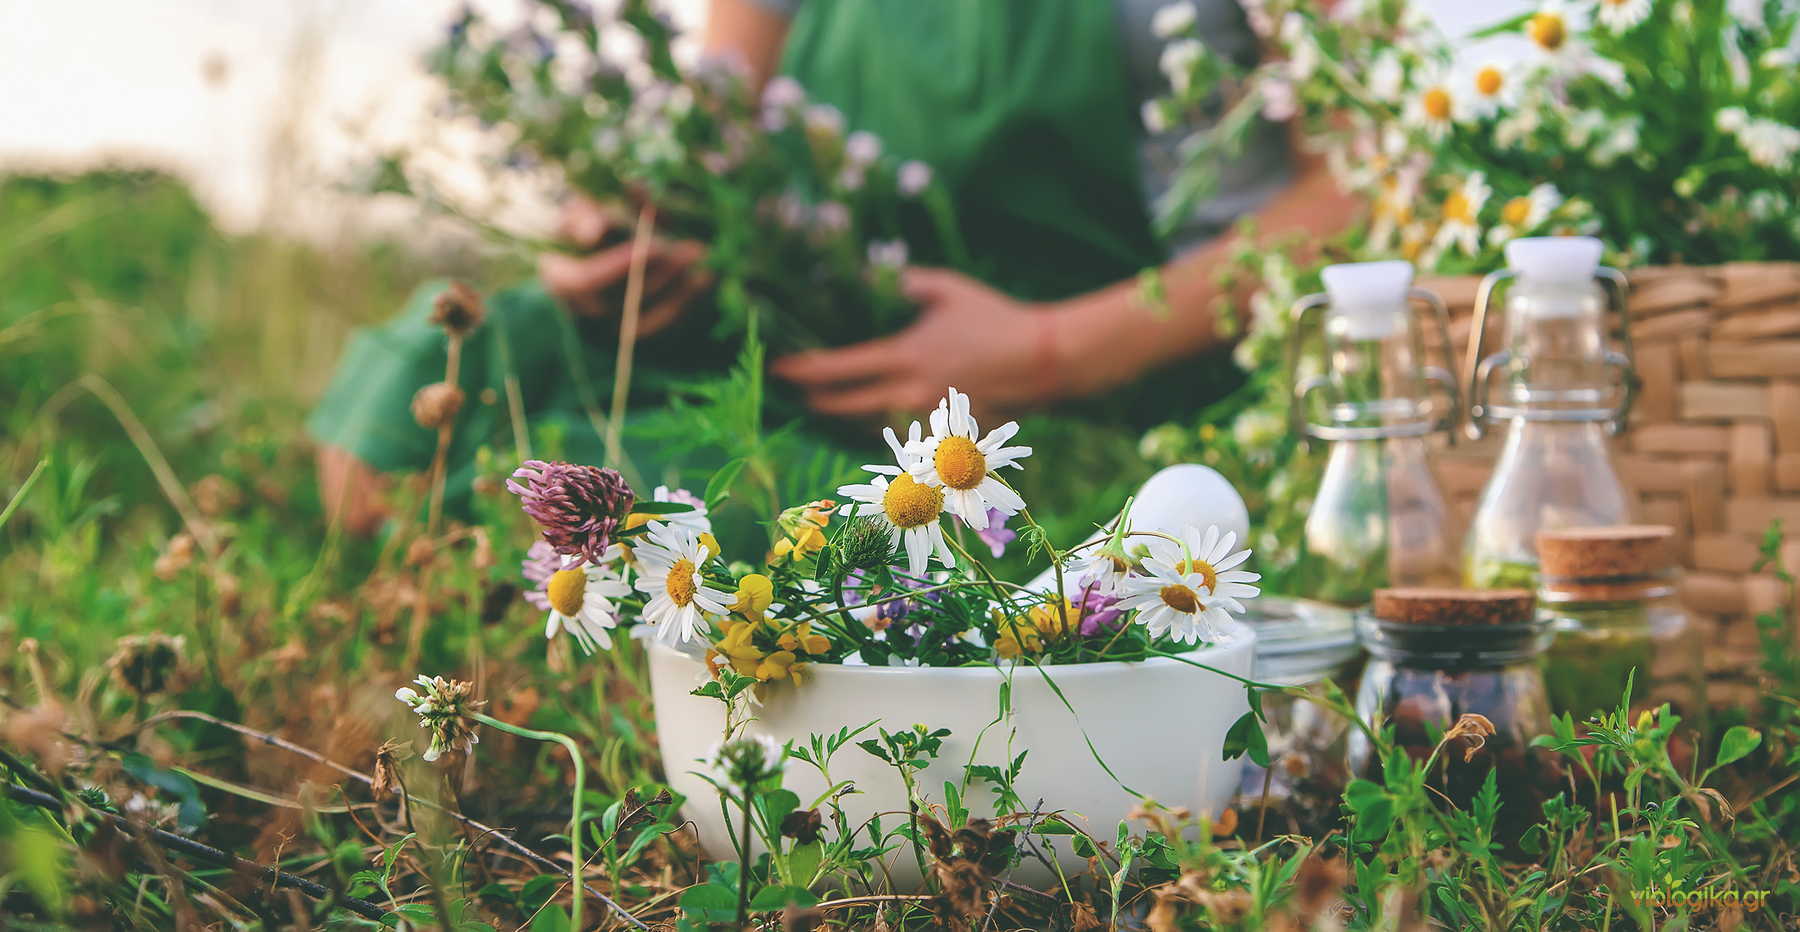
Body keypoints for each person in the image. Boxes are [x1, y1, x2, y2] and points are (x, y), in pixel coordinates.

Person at [312, 0, 1359, 532]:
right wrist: (636, 214)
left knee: (720, 514)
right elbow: (718, 113)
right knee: (440, 373)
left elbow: (1358, 184)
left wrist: (1045, 352)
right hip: (832, 344)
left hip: (1121, 381)